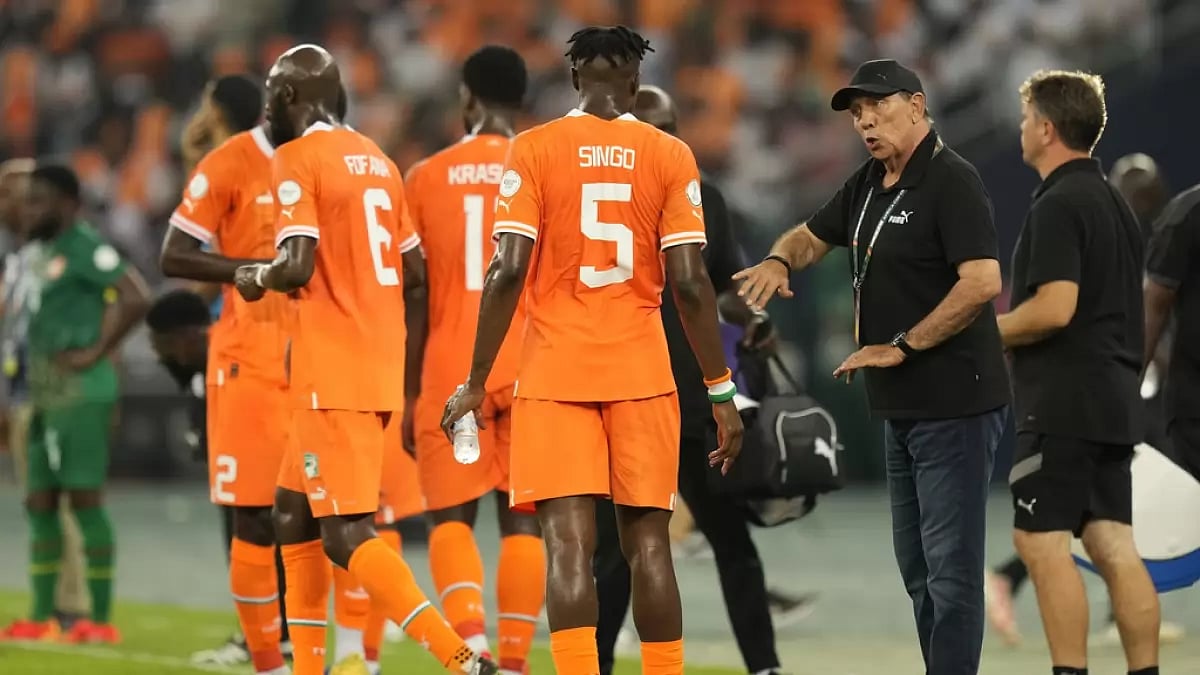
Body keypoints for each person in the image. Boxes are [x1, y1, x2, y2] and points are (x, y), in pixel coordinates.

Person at [442, 26, 743, 675]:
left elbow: (506, 269)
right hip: (642, 372)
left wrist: (474, 379)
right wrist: (720, 389)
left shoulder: (534, 148)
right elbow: (691, 283)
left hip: (554, 374)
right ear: (636, 82)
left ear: (576, 78)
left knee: (569, 547)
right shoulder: (669, 154)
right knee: (650, 545)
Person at [735, 59, 1010, 674]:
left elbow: (983, 280)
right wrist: (780, 260)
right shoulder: (868, 182)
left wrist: (904, 344)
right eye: (857, 112)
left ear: (916, 106)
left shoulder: (950, 179)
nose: (864, 120)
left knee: (950, 571)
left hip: (954, 403)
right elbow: (809, 235)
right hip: (901, 406)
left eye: (877, 107)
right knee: (918, 570)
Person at [231, 43, 497, 675]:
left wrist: (254, 275)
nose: (268, 103)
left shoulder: (296, 158)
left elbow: (294, 263)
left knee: (346, 533)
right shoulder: (377, 159)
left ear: (291, 97)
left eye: (272, 91)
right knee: (292, 514)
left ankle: (461, 658)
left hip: (333, 370)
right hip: (374, 363)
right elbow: (412, 270)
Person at [591, 84, 784, 675]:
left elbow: (724, 281)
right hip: (627, 392)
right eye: (652, 128)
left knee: (728, 540)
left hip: (688, 397)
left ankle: (765, 666)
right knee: (615, 554)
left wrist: (752, 316)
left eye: (669, 128)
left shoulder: (701, 195)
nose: (664, 140)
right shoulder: (602, 198)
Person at [985, 152, 1182, 647]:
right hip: (1103, 391)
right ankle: (1013, 578)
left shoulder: (1107, 228)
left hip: (1106, 387)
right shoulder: (1111, 232)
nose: (1138, 204)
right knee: (1098, 510)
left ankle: (1014, 579)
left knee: (1102, 510)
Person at [999, 69, 1159, 675]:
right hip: (1115, 399)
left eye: (1023, 119)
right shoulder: (1115, 203)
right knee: (1111, 541)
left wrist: (972, 334)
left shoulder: (1060, 202)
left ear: (1045, 128)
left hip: (1064, 403)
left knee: (1039, 542)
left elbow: (1055, 308)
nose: (1020, 130)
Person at [403, 45, 544, 675]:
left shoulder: (426, 176)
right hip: (532, 367)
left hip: (451, 367)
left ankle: (472, 652)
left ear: (467, 98)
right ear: (523, 100)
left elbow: (415, 291)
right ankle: (514, 662)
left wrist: (409, 390)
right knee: (526, 521)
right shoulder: (544, 166)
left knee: (451, 517)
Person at [159, 73, 292, 675]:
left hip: (272, 347)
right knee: (248, 502)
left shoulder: (291, 158)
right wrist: (253, 271)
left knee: (274, 506)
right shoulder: (229, 161)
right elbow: (183, 245)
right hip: (239, 345)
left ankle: (284, 637)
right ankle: (268, 636)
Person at [1, 164, 150, 643]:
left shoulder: (88, 248)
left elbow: (135, 297)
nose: (30, 209)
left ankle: (99, 619)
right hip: (41, 389)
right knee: (40, 501)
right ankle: (42, 615)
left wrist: (96, 350)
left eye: (40, 201)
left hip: (82, 390)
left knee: (84, 500)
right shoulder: (40, 252)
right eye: (29, 201)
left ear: (67, 203)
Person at [0, 158, 91, 634]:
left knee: (61, 502)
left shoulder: (68, 251)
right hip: (23, 391)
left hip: (58, 394)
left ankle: (71, 608)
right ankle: (49, 606)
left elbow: (105, 308)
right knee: (38, 503)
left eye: (13, 193)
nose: (6, 203)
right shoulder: (22, 256)